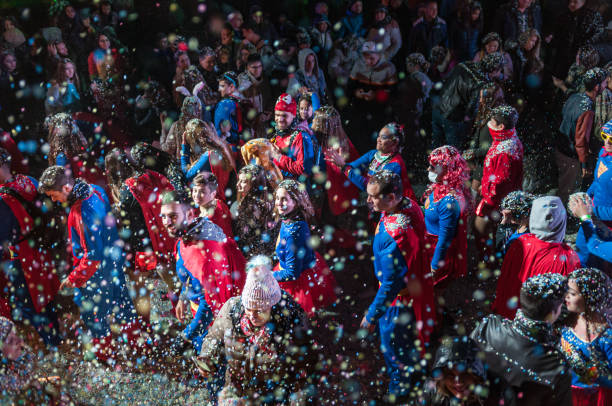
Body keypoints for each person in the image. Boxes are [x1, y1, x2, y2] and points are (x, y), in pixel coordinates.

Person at [38, 166, 138, 363]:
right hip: (114, 261)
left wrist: (73, 279)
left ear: (66, 188)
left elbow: (92, 256)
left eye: (53, 194)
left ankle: (105, 354)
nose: (54, 200)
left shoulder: (80, 211)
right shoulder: (95, 190)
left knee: (94, 314)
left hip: (95, 274)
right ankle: (137, 345)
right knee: (123, 304)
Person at [195, 256, 317, 404]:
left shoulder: (292, 322)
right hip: (236, 391)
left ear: (272, 305)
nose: (252, 316)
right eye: (248, 308)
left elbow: (307, 366)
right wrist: (208, 357)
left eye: (260, 310)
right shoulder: (231, 310)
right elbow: (214, 336)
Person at [362, 171, 435, 401]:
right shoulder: (410, 205)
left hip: (399, 302)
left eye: (373, 197)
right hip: (419, 287)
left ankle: (400, 394)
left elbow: (391, 284)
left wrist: (372, 315)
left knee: (396, 352)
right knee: (416, 344)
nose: (369, 202)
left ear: (392, 197)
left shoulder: (393, 235)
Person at [159, 191, 246, 352]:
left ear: (190, 214)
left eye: (172, 216)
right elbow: (189, 276)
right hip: (200, 314)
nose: (166, 222)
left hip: (213, 321)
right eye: (163, 216)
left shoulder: (203, 252)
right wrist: (184, 298)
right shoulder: (188, 233)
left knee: (213, 364)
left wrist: (187, 335)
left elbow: (210, 303)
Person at [471, 273, 572, 406]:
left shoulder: (489, 325)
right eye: (560, 306)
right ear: (553, 313)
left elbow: (466, 366)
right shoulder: (556, 364)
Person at [104, 148, 176, 316]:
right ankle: (176, 311)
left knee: (153, 283)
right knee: (168, 279)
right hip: (165, 236)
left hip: (143, 245)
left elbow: (127, 226)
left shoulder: (126, 191)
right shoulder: (152, 176)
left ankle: (166, 319)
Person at [0, 149, 61, 347]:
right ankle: (55, 336)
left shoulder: (2, 198)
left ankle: (50, 344)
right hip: (41, 248)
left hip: (21, 256)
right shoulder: (29, 180)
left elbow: (4, 238)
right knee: (47, 296)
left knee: (28, 303)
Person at [492, 196, 581, 319]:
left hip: (511, 314)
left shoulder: (520, 243)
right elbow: (567, 299)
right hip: (541, 322)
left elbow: (505, 278)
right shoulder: (569, 256)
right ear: (562, 221)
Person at [272, 179, 337, 316]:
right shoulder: (291, 217)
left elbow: (292, 274)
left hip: (296, 280)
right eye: (277, 198)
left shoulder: (293, 234)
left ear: (296, 201)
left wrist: (267, 275)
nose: (278, 203)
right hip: (301, 266)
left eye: (284, 199)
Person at [474, 106, 524, 259]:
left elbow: (500, 182)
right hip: (505, 197)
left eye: (492, 122)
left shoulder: (503, 153)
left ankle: (487, 262)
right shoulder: (510, 137)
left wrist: (487, 195)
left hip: (495, 201)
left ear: (501, 127)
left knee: (481, 230)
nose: (489, 123)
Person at [327, 122, 417, 201]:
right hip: (381, 202)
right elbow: (353, 167)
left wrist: (343, 166)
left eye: (383, 137)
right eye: (379, 136)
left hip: (398, 206)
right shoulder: (373, 154)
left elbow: (372, 187)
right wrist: (341, 161)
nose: (378, 140)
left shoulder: (395, 164)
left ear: (394, 142)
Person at [557, 68, 609, 204]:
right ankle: (564, 217)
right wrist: (584, 164)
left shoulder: (575, 96)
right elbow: (581, 140)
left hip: (560, 145)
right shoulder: (588, 110)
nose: (606, 85)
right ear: (597, 87)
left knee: (563, 183)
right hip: (570, 153)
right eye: (604, 83)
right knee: (568, 188)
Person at [561, 267, 612, 405]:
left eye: (572, 293)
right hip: (566, 392)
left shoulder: (606, 337)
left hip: (592, 399)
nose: (566, 297)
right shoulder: (566, 320)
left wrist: (589, 372)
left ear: (588, 297)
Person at [423, 145, 472, 288]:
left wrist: (434, 266)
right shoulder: (440, 186)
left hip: (437, 252)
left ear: (447, 169)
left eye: (433, 167)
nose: (428, 170)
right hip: (429, 246)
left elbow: (444, 239)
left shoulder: (449, 201)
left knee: (432, 294)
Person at [435, 52, 504, 149]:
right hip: (453, 117)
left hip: (438, 107)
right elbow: (471, 109)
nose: (499, 74)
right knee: (453, 152)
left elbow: (446, 80)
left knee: (436, 147)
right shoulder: (481, 83)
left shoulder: (464, 64)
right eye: (499, 71)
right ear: (495, 70)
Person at [346, 41, 398, 153]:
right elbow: (349, 87)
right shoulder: (358, 65)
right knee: (358, 138)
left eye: (371, 58)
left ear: (379, 54)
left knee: (375, 142)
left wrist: (376, 96)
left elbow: (393, 93)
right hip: (360, 110)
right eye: (365, 57)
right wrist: (356, 93)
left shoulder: (389, 68)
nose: (367, 61)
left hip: (379, 113)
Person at [575, 120, 612, 267]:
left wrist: (592, 211)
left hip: (607, 228)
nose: (608, 141)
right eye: (605, 136)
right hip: (591, 217)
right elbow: (597, 181)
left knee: (599, 266)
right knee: (581, 253)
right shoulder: (604, 152)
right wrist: (586, 195)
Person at [417, 336, 488, 405]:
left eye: (465, 374)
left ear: (477, 376)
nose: (459, 382)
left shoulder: (491, 397)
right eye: (450, 375)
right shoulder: (431, 391)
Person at [269, 93, 317, 185]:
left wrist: (279, 157)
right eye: (277, 115)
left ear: (293, 115)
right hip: (278, 189)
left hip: (295, 192)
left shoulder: (301, 137)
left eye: (284, 115)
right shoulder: (277, 136)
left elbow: (304, 170)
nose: (280, 119)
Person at [231, 164, 278, 258]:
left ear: (255, 183)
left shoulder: (249, 207)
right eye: (238, 180)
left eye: (243, 182)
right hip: (269, 256)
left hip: (252, 257)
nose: (238, 185)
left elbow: (245, 238)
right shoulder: (272, 200)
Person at [551, 0, 605, 80]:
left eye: (575, 2)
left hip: (581, 57)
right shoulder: (563, 15)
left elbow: (599, 34)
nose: (571, 4)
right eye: (570, 1)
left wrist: (585, 45)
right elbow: (557, 34)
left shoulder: (593, 16)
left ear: (583, 2)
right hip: (562, 55)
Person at [180, 119, 235, 193]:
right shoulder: (222, 149)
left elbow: (187, 176)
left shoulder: (208, 156)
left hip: (215, 201)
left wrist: (185, 148)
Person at [161, 91, 203, 160]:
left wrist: (163, 131)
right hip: (202, 167)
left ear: (184, 108)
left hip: (184, 167)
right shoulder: (205, 126)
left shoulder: (177, 126)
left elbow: (168, 149)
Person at [191, 172, 233, 239]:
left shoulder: (210, 220)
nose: (197, 195)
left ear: (213, 194)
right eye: (195, 190)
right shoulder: (217, 202)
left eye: (202, 192)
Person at [496, 190, 535, 256]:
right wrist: (504, 222)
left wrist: (504, 224)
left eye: (514, 212)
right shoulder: (521, 227)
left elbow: (502, 250)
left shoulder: (529, 236)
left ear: (527, 212)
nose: (511, 216)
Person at [213, 71, 244, 145]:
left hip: (230, 147)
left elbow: (219, 131)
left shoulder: (224, 104)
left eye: (222, 86)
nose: (219, 89)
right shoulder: (244, 101)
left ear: (232, 87)